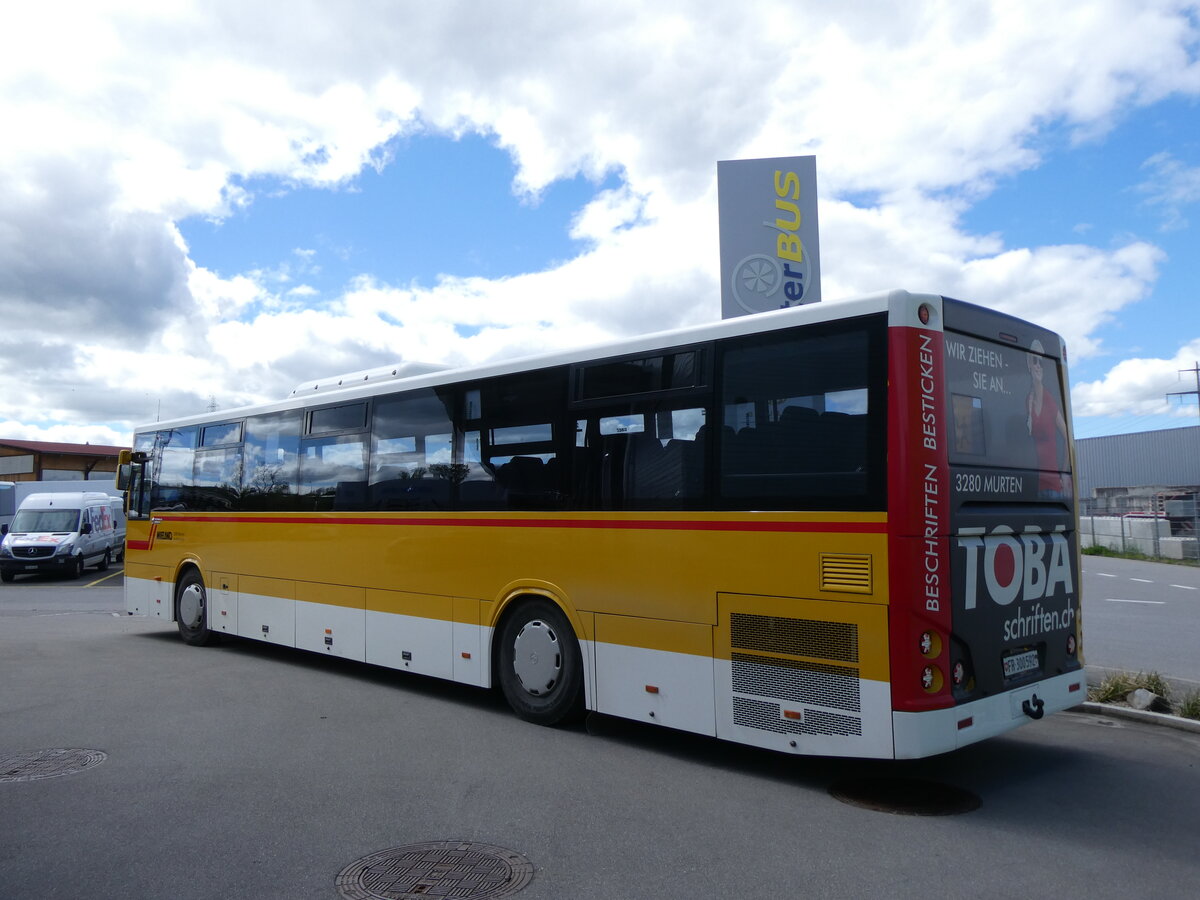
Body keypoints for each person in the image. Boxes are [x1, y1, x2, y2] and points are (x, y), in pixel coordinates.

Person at [1026, 340, 1069, 498]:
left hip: (1052, 486)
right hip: (1035, 484)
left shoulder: (1049, 400)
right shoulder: (1028, 402)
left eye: (1041, 363)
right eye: (1034, 361)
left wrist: (1063, 473)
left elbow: (1067, 438)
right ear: (1029, 365)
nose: (1038, 366)